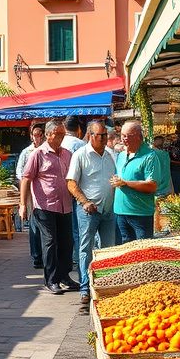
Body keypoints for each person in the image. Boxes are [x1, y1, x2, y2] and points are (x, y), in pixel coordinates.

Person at [20, 120, 75, 294]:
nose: (62, 137)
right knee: (50, 241)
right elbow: (26, 179)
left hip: (65, 205)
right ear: (49, 135)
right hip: (44, 206)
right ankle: (51, 279)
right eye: (59, 134)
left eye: (63, 134)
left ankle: (64, 276)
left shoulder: (67, 154)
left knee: (66, 241)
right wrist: (23, 204)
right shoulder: (38, 154)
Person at [67, 121, 117, 305]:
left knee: (108, 249)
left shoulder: (110, 155)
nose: (104, 139)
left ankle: (105, 285)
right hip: (89, 212)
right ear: (90, 136)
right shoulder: (80, 155)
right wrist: (84, 201)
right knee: (85, 249)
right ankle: (84, 288)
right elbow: (71, 183)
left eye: (105, 135)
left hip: (109, 210)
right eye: (100, 135)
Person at [110, 121, 160, 244]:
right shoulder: (121, 155)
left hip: (140, 214)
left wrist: (126, 183)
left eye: (127, 136)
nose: (123, 139)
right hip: (120, 213)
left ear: (138, 136)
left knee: (142, 250)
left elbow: (152, 185)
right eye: (122, 135)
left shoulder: (150, 156)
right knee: (124, 251)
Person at [16, 122, 45, 269]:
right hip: (31, 195)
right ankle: (37, 256)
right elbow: (20, 173)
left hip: (46, 194)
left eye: (40, 134)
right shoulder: (27, 152)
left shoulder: (48, 151)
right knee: (34, 223)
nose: (37, 137)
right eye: (35, 134)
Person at [61, 116, 87, 268]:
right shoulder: (82, 145)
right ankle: (78, 256)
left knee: (65, 227)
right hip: (78, 191)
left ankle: (68, 257)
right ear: (78, 129)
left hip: (60, 191)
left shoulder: (59, 144)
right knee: (78, 227)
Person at [151, 135, 173, 200]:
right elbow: (169, 172)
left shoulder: (150, 155)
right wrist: (172, 189)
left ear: (154, 143)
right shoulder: (166, 154)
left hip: (154, 189)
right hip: (166, 189)